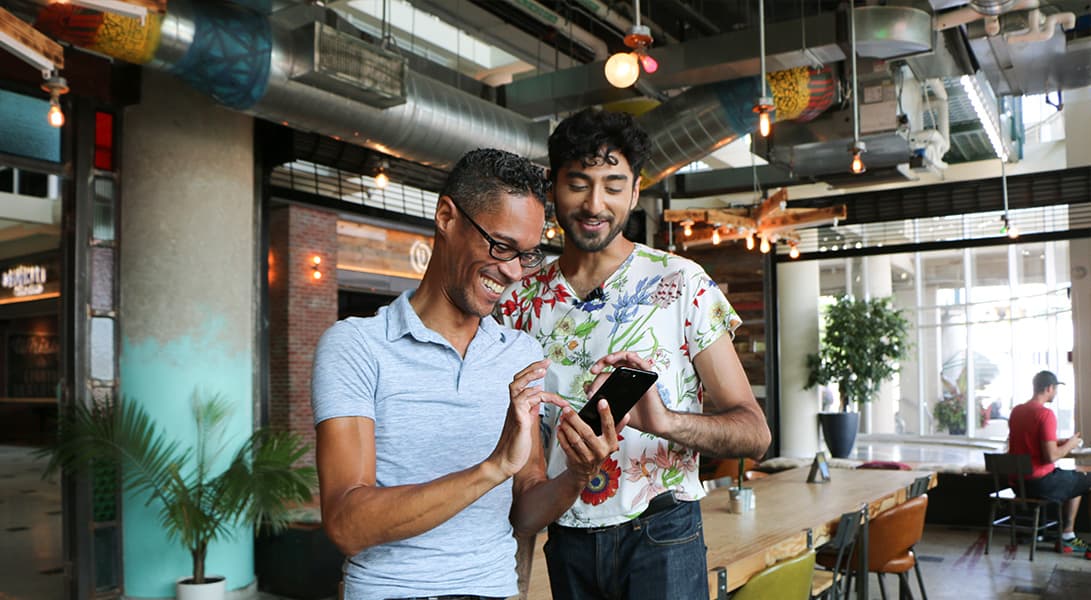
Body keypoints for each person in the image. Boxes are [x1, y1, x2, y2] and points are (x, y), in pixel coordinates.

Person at [311, 148, 623, 599]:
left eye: (528, 255)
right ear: (446, 216)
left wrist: (577, 474)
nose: (514, 271)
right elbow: (346, 524)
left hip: (494, 589)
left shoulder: (520, 352)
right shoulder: (357, 347)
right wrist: (493, 467)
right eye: (501, 246)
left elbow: (524, 512)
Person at [497, 108, 772, 599]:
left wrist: (666, 421)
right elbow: (519, 456)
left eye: (613, 185)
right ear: (552, 186)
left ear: (635, 190)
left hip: (662, 534)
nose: (594, 203)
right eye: (578, 183)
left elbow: (755, 434)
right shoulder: (519, 301)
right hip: (566, 537)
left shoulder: (682, 283)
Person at [1008, 369, 1091, 558]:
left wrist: (1058, 441)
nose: (1055, 393)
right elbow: (1051, 457)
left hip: (1018, 486)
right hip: (1040, 484)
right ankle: (1067, 536)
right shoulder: (1045, 415)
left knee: (1075, 480)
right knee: (1086, 478)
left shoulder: (1017, 411)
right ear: (1049, 388)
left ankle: (1067, 535)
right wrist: (1070, 443)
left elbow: (1029, 442)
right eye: (1055, 390)